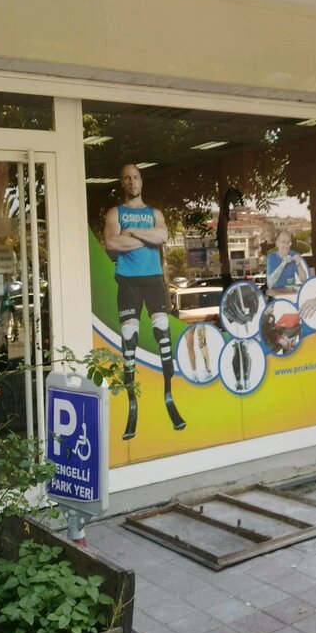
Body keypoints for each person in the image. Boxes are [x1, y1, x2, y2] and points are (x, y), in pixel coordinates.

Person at [104, 164, 185, 440]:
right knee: (129, 341)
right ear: (122, 183)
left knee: (163, 334)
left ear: (141, 181)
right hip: (127, 280)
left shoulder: (155, 214)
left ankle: (169, 396)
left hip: (152, 279)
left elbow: (162, 236)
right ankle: (132, 405)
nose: (132, 181)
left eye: (135, 177)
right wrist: (146, 237)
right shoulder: (115, 213)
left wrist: (132, 233)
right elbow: (112, 244)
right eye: (126, 177)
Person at [266, 231, 309, 296]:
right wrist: (283, 264)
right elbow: (270, 284)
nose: (286, 245)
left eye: (288, 242)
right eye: (283, 242)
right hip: (277, 296)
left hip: (291, 295)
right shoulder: (271, 257)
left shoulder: (293, 255)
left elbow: (304, 279)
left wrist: (299, 264)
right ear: (277, 243)